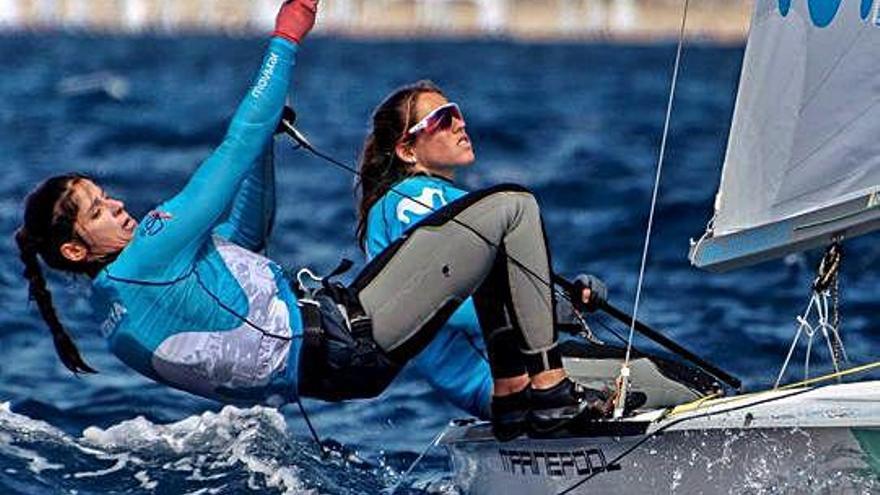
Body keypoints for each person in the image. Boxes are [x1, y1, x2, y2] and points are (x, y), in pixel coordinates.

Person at [16, 0, 610, 442]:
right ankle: (549, 390)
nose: (118, 205)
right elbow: (235, 144)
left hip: (331, 375)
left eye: (104, 195)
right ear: (74, 250)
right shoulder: (147, 251)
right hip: (348, 341)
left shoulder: (116, 317)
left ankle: (511, 398)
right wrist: (288, 32)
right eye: (97, 210)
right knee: (512, 209)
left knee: (483, 245)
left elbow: (241, 245)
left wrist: (265, 150)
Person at [356, 82, 613, 439]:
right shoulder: (410, 199)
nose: (460, 124)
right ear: (407, 150)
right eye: (442, 119)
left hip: (506, 376)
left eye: (457, 113)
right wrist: (552, 310)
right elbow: (446, 300)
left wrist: (567, 296)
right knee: (671, 384)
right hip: (499, 381)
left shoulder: (447, 200)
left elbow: (501, 283)